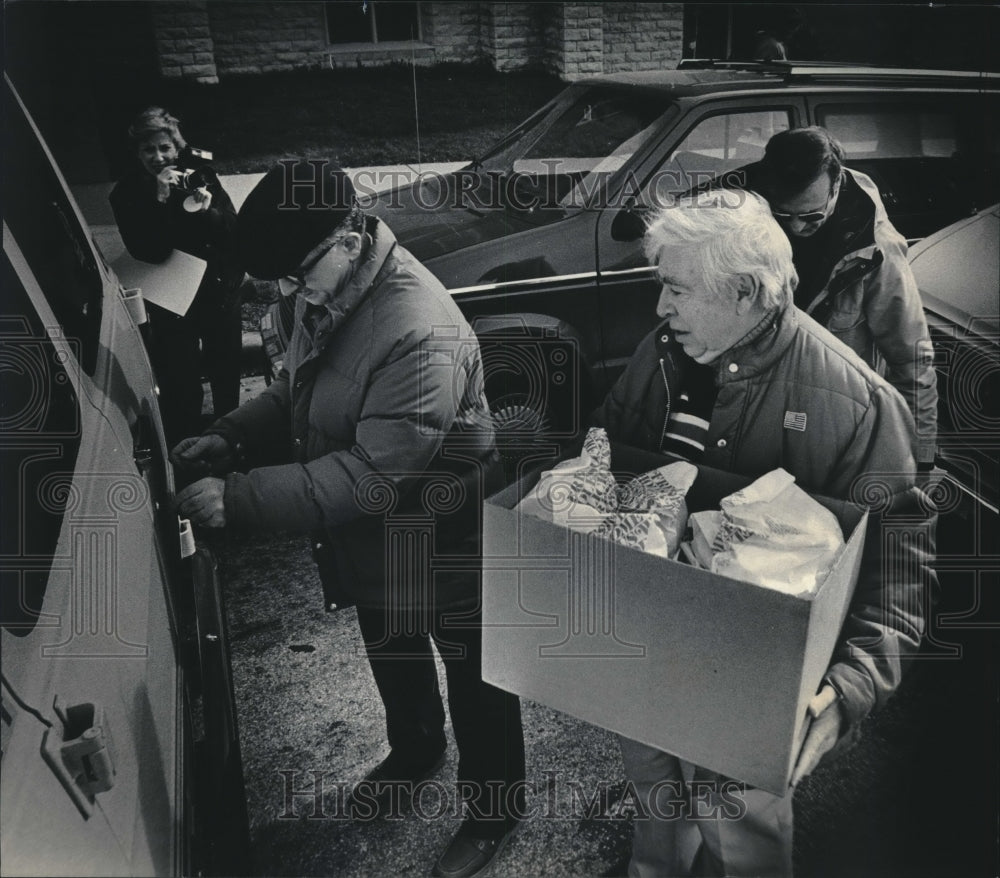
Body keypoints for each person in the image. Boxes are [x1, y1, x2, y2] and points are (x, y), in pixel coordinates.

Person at [172, 159, 525, 878]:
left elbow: (369, 474)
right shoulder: (325, 287)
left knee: (477, 677)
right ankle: (417, 747)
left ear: (349, 234)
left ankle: (494, 810)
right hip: (375, 535)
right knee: (391, 642)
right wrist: (234, 434)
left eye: (298, 276)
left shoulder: (416, 329)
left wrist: (236, 497)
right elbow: (300, 388)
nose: (289, 294)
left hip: (443, 532)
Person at [591, 190, 936, 877]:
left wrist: (852, 684)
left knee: (739, 822)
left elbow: (900, 577)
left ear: (746, 292)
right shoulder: (659, 353)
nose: (661, 308)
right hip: (647, 647)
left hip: (755, 682)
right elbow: (609, 462)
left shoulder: (861, 405)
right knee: (654, 788)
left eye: (676, 289)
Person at [744, 126, 938, 467]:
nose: (795, 229)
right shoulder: (749, 211)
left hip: (835, 421)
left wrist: (918, 459)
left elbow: (912, 358)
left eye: (811, 216)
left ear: (836, 187)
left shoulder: (877, 250)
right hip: (759, 414)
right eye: (782, 214)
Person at [110, 106, 244, 445]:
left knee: (225, 368)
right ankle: (187, 440)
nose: (158, 157)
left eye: (164, 148)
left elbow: (231, 229)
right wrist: (160, 200)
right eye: (148, 149)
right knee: (180, 376)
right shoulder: (126, 193)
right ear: (136, 152)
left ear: (177, 147)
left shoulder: (199, 173)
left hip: (216, 288)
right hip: (172, 298)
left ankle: (228, 435)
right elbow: (147, 251)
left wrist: (207, 212)